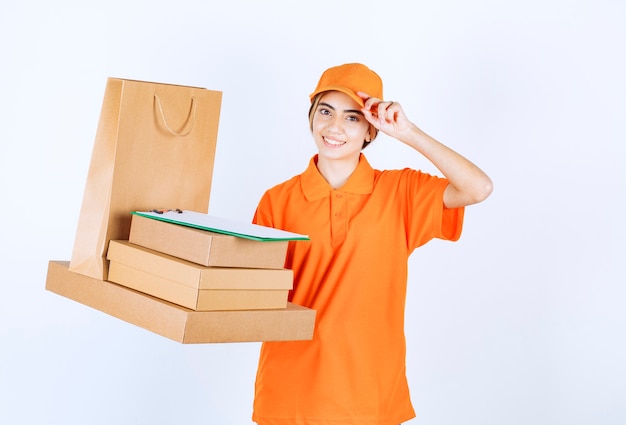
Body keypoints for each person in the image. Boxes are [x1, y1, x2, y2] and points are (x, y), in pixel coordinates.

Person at [251, 63, 493, 425]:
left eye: (352, 118)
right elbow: (253, 296)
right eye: (326, 112)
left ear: (370, 130)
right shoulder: (277, 201)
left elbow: (478, 188)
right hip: (291, 396)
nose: (335, 128)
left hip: (370, 398)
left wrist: (408, 132)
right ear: (311, 117)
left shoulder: (400, 192)